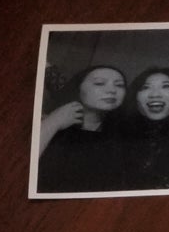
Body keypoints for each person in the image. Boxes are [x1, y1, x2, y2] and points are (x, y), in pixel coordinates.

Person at [36, 64, 128, 193]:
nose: (112, 90)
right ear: (78, 89)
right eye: (100, 83)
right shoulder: (48, 121)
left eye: (119, 85)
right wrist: (54, 121)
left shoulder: (124, 131)